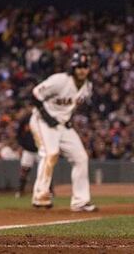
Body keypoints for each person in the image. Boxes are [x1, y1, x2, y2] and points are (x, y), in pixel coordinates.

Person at [29, 51, 97, 212]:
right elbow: (35, 94)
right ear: (73, 67)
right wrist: (47, 116)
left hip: (62, 125)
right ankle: (40, 196)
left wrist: (66, 119)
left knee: (81, 157)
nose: (82, 70)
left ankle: (80, 202)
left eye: (85, 67)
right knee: (50, 153)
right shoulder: (60, 80)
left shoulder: (87, 87)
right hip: (42, 121)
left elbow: (72, 107)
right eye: (79, 66)